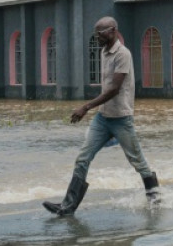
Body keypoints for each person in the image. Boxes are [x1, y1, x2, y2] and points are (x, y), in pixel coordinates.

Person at [42, 16, 160, 216]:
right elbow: (106, 86)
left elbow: (114, 89)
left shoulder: (123, 54)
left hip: (121, 119)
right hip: (102, 118)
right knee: (82, 158)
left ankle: (155, 198)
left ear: (113, 31)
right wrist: (94, 108)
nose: (97, 36)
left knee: (137, 161)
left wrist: (85, 107)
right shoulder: (104, 52)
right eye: (96, 33)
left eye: (100, 32)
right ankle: (67, 206)